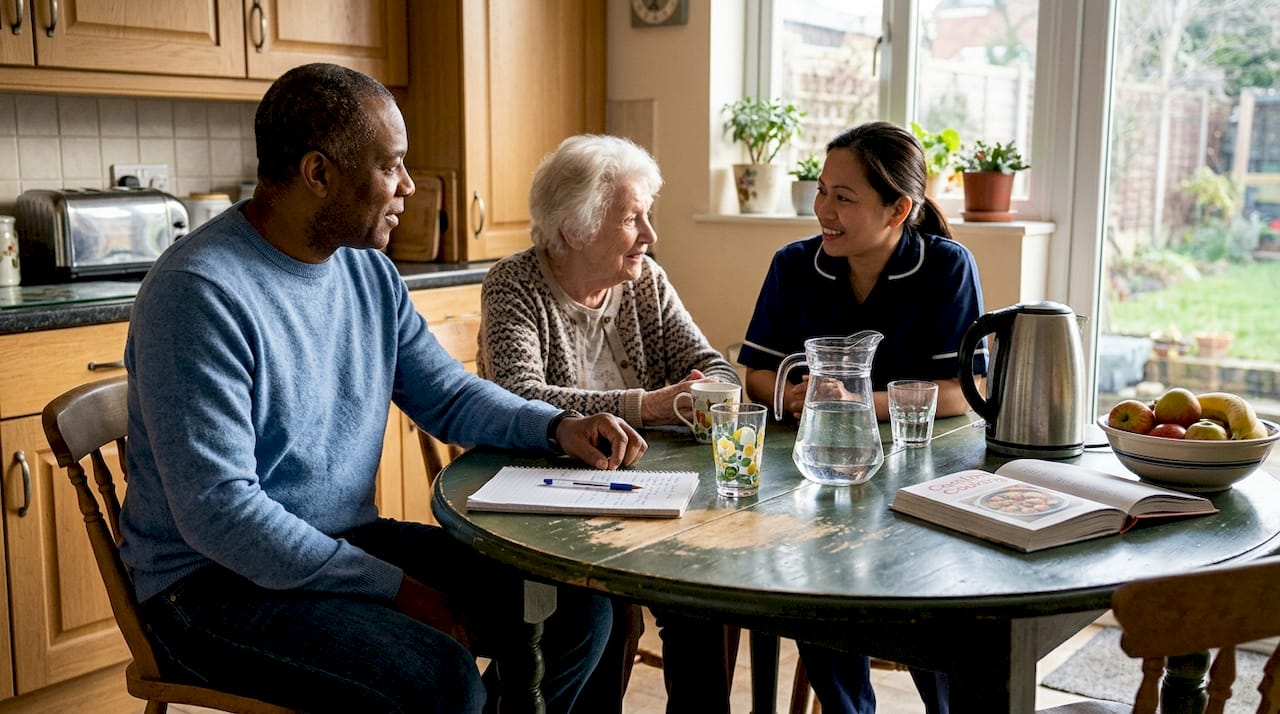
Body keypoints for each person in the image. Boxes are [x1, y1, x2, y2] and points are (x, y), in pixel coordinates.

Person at [120, 63, 647, 714]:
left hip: (338, 543)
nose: (408, 187)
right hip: (208, 588)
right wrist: (395, 588)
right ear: (319, 174)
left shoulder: (366, 270)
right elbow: (222, 516)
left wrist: (552, 425)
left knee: (575, 602)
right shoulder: (198, 295)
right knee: (443, 681)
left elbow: (447, 395)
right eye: (391, 165)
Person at [478, 133, 742, 714]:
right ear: (574, 229)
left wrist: (709, 391)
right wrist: (648, 405)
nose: (650, 236)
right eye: (632, 220)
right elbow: (517, 394)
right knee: (609, 610)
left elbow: (715, 367)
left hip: (645, 489)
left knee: (707, 596)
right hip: (542, 506)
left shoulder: (646, 280)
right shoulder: (514, 284)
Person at [737, 120, 989, 714]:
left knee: (929, 605)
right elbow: (754, 372)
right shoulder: (794, 265)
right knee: (814, 586)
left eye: (843, 198)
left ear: (898, 208)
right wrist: (793, 394)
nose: (824, 209)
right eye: (822, 190)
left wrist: (852, 405)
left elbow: (964, 390)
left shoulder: (946, 267)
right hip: (818, 478)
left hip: (923, 475)